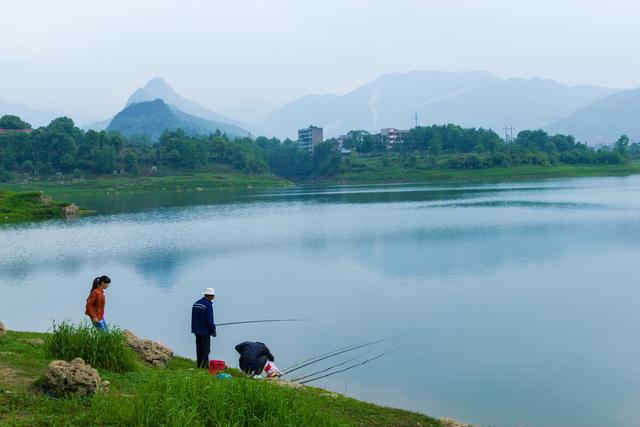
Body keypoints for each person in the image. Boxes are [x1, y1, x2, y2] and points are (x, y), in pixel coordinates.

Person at [191, 287, 217, 369]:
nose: (213, 298)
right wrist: (213, 331)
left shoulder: (196, 303)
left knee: (199, 349)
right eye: (213, 296)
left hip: (196, 330)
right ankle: (205, 367)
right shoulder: (208, 305)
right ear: (210, 296)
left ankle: (199, 366)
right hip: (204, 331)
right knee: (206, 350)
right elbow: (210, 320)